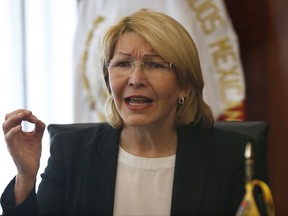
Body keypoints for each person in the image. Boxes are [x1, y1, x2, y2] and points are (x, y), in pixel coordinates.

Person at [1, 9, 251, 215]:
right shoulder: (72, 153)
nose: (136, 78)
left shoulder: (228, 157)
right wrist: (25, 177)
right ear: (108, 79)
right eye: (123, 63)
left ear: (184, 84)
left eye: (154, 64)